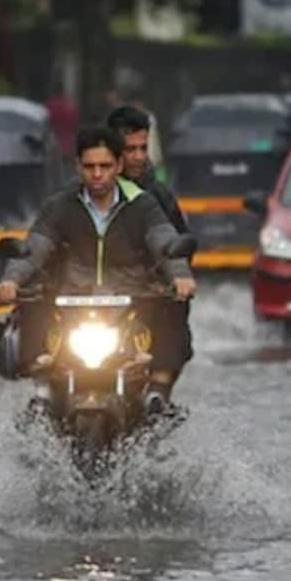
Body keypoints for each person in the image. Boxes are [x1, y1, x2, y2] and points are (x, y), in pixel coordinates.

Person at [0, 125, 197, 410]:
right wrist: (11, 280)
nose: (97, 174)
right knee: (32, 302)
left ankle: (157, 393)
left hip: (131, 305)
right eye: (90, 166)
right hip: (71, 306)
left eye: (105, 165)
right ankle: (43, 390)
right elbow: (34, 249)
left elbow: (164, 243)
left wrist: (180, 277)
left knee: (171, 309)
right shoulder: (60, 207)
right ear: (77, 166)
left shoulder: (142, 205)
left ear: (119, 166)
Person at [106, 104, 194, 396]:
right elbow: (53, 237)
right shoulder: (75, 195)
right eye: (130, 149)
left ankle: (158, 390)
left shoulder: (157, 197)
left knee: (172, 316)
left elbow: (175, 244)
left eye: (143, 148)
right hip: (90, 299)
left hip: (145, 297)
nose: (138, 156)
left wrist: (172, 278)